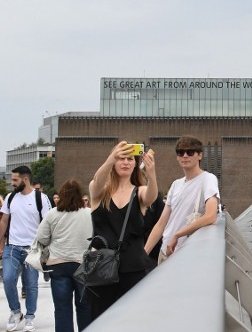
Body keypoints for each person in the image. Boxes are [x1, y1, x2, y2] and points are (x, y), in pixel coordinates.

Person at [87, 142, 157, 320]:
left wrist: (152, 175)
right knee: (101, 319)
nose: (125, 162)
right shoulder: (100, 193)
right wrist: (111, 158)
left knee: (133, 319)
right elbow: (96, 183)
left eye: (130, 159)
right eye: (121, 158)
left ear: (135, 164)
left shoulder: (138, 192)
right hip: (102, 268)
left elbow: (150, 197)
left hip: (133, 267)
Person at [145, 136, 219, 263]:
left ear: (200, 156)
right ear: (177, 157)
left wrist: (177, 234)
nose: (185, 156)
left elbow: (211, 216)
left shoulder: (208, 179)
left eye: (190, 152)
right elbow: (161, 224)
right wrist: (144, 253)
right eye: (180, 152)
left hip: (187, 253)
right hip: (166, 252)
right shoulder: (176, 184)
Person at [32, 180, 92, 332]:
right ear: (80, 195)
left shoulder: (52, 214)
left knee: (62, 308)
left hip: (58, 264)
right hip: (83, 264)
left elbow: (42, 237)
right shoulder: (89, 214)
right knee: (85, 306)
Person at [0, 166, 52, 332]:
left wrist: (47, 250)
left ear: (25, 179)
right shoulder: (10, 197)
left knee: (31, 286)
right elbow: (4, 221)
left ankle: (30, 316)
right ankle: (16, 312)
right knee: (7, 279)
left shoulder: (41, 198)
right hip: (12, 247)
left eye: (15, 180)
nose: (12, 183)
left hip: (32, 249)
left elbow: (48, 223)